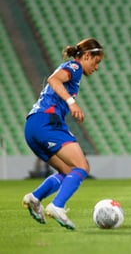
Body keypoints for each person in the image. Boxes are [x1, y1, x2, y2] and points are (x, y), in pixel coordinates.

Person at [22, 38, 104, 230]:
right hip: (47, 122)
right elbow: (53, 79)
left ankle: (35, 198)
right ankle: (57, 206)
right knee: (82, 166)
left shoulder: (72, 68)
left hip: (32, 126)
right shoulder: (74, 66)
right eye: (96, 61)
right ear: (86, 56)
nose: (97, 67)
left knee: (68, 172)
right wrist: (71, 102)